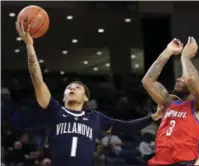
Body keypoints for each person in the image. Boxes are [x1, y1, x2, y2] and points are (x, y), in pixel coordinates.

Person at [16, 20, 154, 166]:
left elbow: (127, 127)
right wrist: (30, 46)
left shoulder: (96, 118)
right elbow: (37, 80)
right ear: (63, 97)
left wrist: (153, 116)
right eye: (69, 88)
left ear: (86, 97)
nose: (72, 89)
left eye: (77, 87)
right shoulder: (54, 110)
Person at [142, 37, 199, 165]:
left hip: (183, 163)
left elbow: (191, 80)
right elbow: (147, 81)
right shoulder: (170, 101)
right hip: (159, 161)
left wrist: (185, 58)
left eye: (183, 77)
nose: (178, 79)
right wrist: (167, 51)